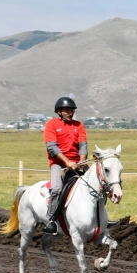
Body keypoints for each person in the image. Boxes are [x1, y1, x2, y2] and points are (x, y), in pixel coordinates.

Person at [42, 96, 89, 235]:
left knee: (98, 183)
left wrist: (81, 161)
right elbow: (52, 148)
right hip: (59, 164)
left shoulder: (79, 125)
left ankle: (101, 219)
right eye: (67, 110)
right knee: (56, 188)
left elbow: (83, 144)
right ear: (59, 111)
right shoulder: (51, 125)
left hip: (77, 163)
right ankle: (51, 220)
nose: (70, 112)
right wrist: (68, 162)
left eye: (72, 110)